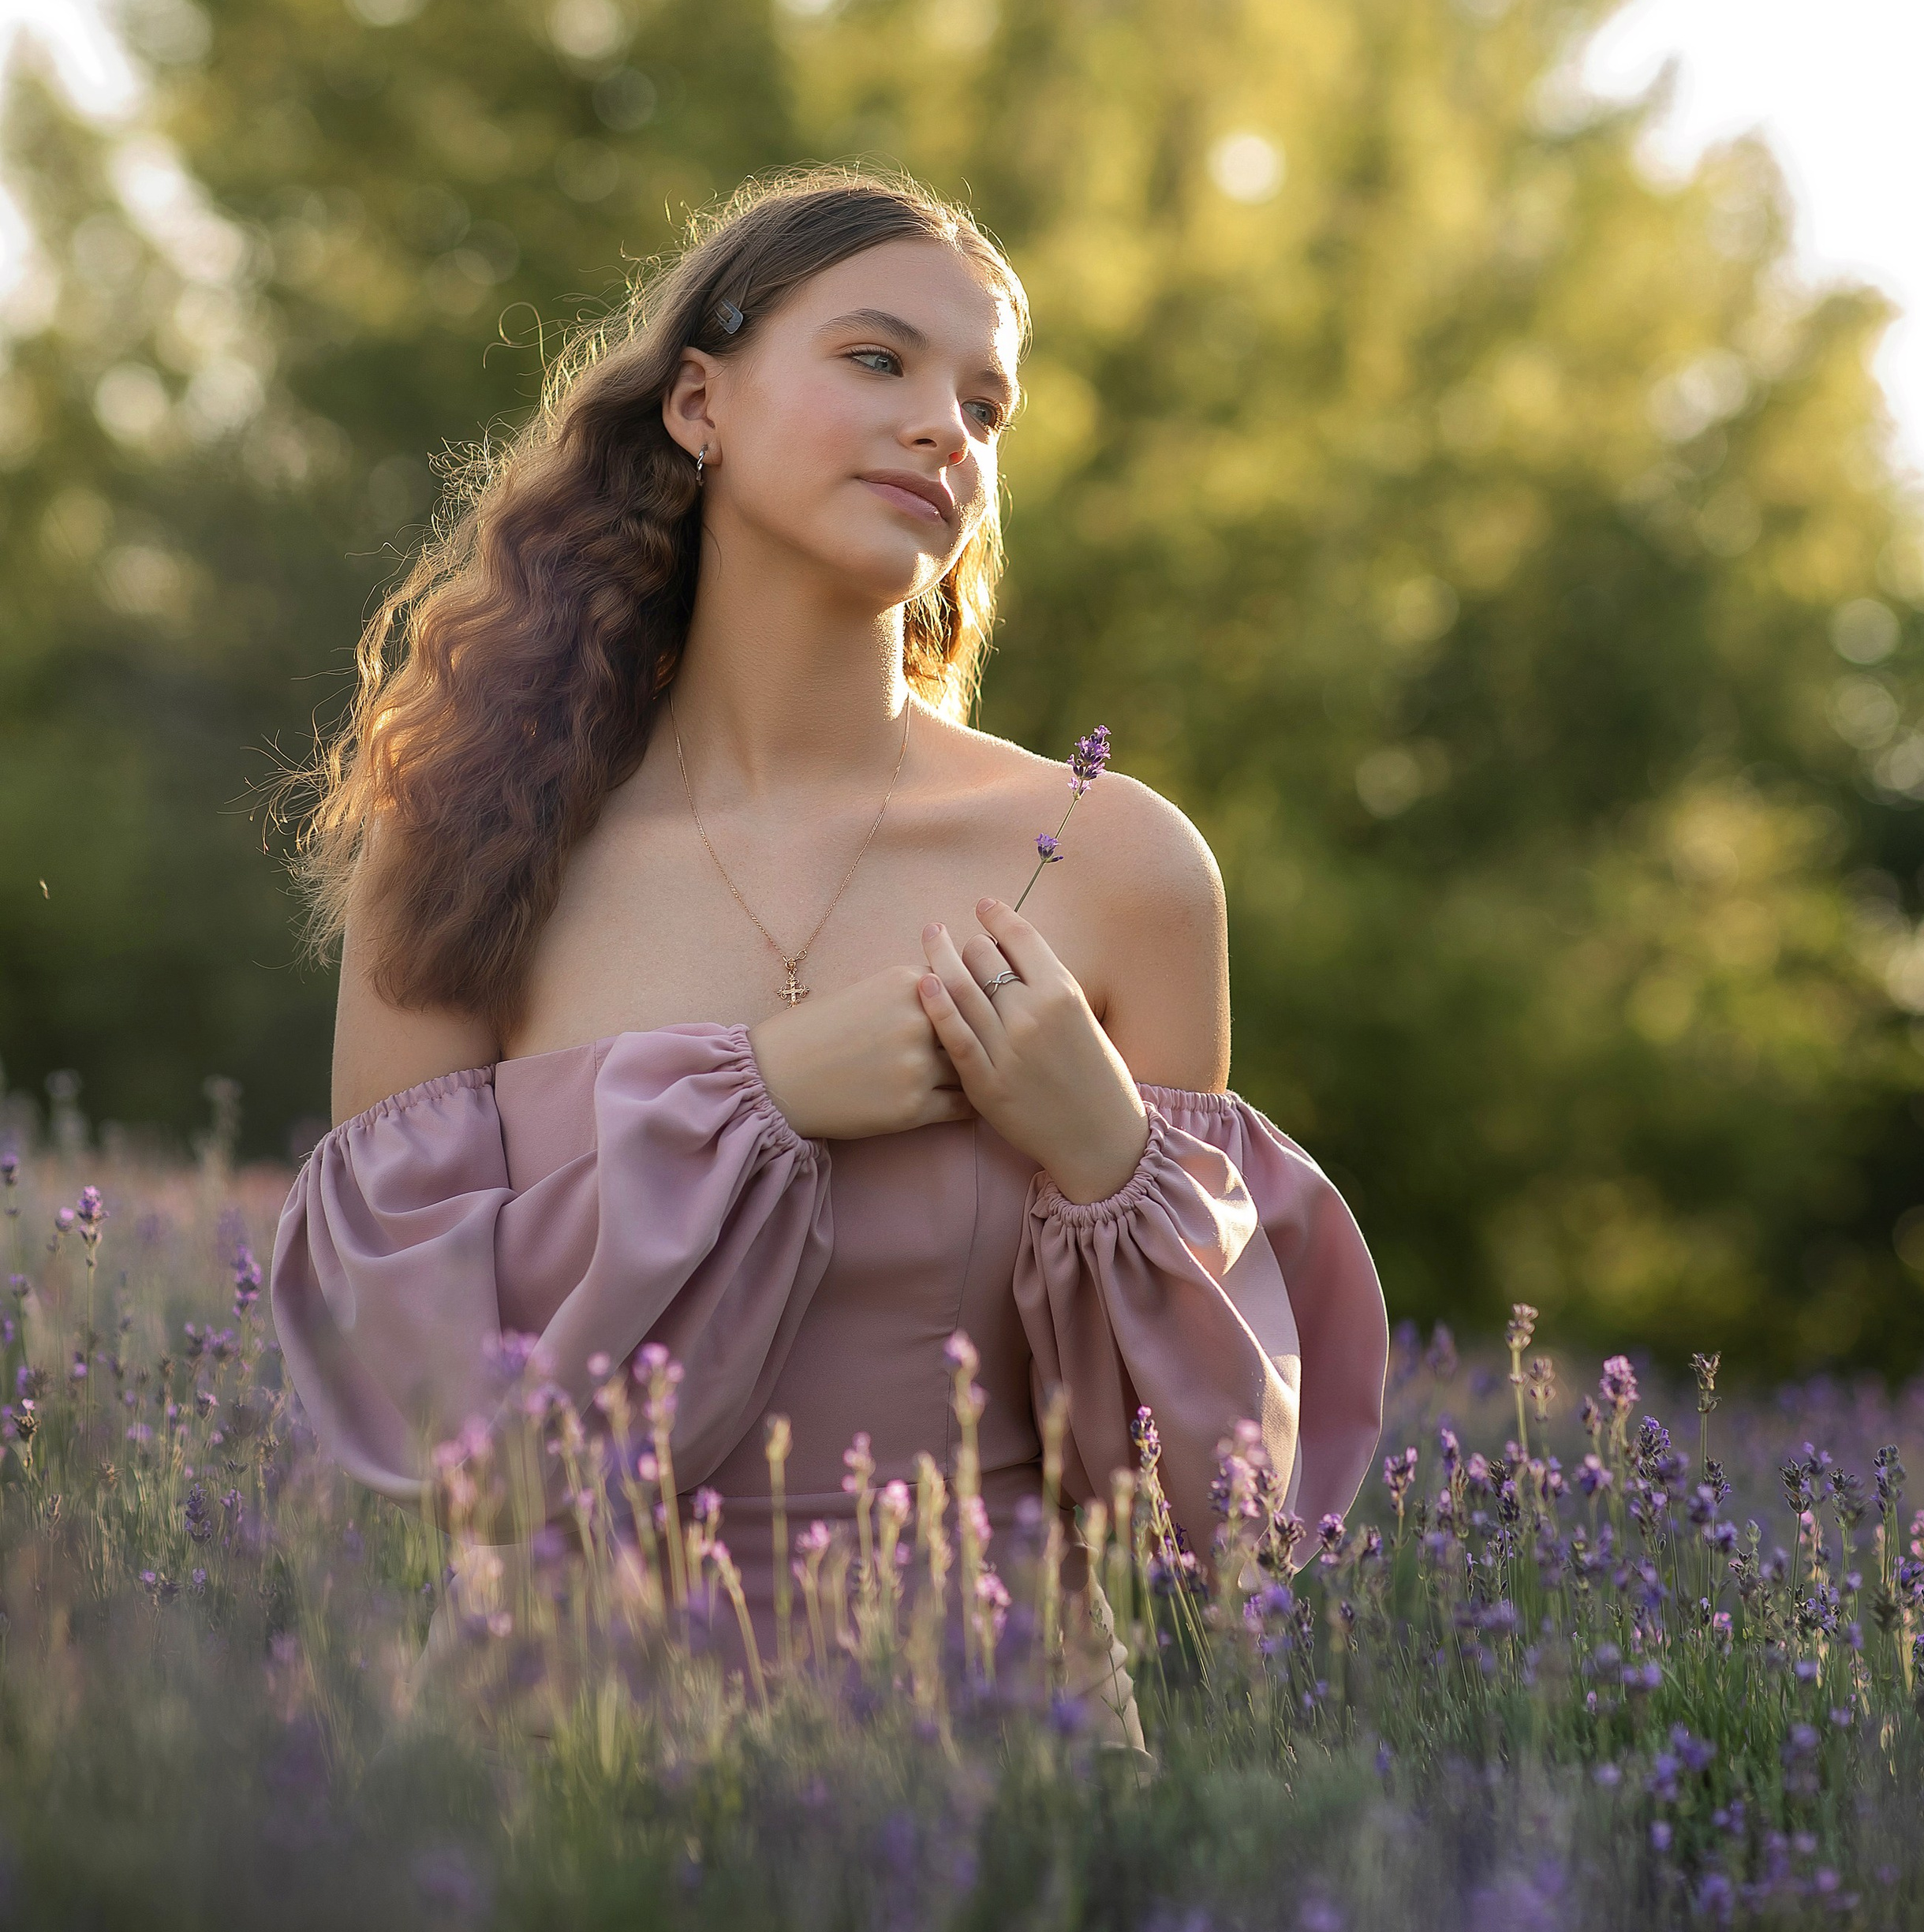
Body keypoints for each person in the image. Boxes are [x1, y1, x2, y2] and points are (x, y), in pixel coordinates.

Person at [270, 168, 1387, 1693]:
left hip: (999, 1766)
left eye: (987, 407)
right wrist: (764, 1097)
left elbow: (1220, 1528)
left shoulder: (1119, 864)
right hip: (557, 1770)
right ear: (699, 405)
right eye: (878, 359)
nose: (947, 427)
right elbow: (404, 1392)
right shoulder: (465, 841)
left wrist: (1114, 1162)